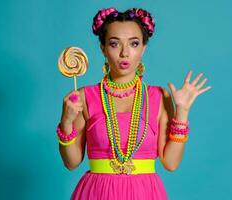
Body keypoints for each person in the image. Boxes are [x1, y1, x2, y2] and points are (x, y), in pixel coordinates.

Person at [57, 7, 211, 200]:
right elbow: (71, 162)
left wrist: (182, 112)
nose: (124, 53)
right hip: (97, 192)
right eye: (114, 44)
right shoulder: (84, 96)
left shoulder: (159, 96)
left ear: (143, 48)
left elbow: (171, 163)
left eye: (134, 43)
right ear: (102, 48)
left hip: (145, 192)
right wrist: (66, 121)